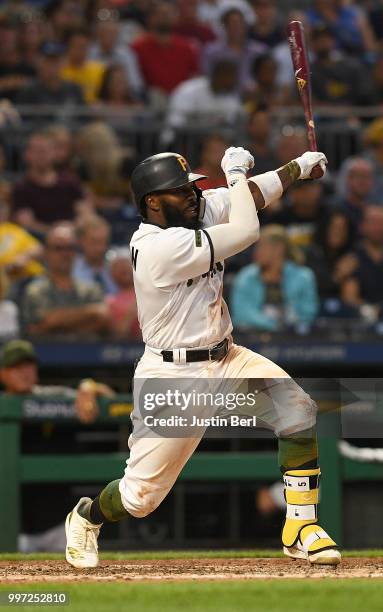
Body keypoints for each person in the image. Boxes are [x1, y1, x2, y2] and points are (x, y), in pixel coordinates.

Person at [65, 145, 341, 568]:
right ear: (152, 202)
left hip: (227, 356)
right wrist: (230, 172)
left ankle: (301, 527)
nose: (193, 196)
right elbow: (248, 231)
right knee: (140, 498)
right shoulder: (159, 246)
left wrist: (299, 168)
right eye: (180, 191)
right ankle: (87, 515)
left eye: (192, 187)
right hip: (172, 375)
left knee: (297, 408)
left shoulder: (193, 212)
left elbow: (252, 194)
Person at [0, 338, 114, 552]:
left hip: (59, 526)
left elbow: (110, 399)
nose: (24, 372)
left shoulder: (56, 398)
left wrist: (90, 387)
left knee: (80, 577)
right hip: (12, 527)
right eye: (16, 367)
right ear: (3, 373)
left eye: (28, 365)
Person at [21, 222, 109, 338]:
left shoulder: (90, 289)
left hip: (87, 353)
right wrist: (90, 313)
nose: (65, 254)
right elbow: (46, 322)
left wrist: (58, 321)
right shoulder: (36, 290)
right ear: (47, 252)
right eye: (58, 248)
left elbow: (103, 317)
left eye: (70, 248)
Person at [230, 225, 319, 332]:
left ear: (278, 249)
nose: (256, 252)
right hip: (254, 337)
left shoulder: (304, 277)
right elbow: (241, 314)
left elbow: (308, 312)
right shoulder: (246, 277)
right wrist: (274, 325)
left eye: (262, 246)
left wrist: (290, 325)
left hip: (293, 339)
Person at [11, 131, 83, 236]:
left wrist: (71, 229)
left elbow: (85, 213)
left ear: (54, 153)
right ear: (27, 155)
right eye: (37, 151)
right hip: (37, 241)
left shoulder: (70, 182)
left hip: (72, 237)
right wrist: (54, 232)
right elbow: (26, 222)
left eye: (46, 151)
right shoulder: (21, 188)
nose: (42, 155)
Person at [131, 0, 200, 96]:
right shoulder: (138, 48)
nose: (165, 17)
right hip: (150, 100)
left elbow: (194, 77)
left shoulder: (186, 47)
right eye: (161, 14)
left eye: (169, 14)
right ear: (150, 18)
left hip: (182, 99)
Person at [202, 5, 266, 92]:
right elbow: (207, 80)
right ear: (224, 26)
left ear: (246, 26)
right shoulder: (212, 52)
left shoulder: (259, 51)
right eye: (232, 24)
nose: (237, 27)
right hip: (221, 97)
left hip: (254, 98)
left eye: (240, 23)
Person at [16, 41, 84, 112]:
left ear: (64, 63)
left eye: (57, 61)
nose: (53, 66)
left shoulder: (74, 90)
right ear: (39, 62)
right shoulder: (29, 92)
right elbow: (21, 120)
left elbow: (85, 119)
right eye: (48, 61)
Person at [73, 216, 117, 295]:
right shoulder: (71, 270)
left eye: (103, 241)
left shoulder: (117, 267)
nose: (99, 248)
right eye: (94, 242)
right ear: (81, 241)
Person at [61, 30, 105, 104]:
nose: (80, 50)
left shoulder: (100, 69)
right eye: (76, 46)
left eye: (83, 46)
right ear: (68, 47)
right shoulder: (60, 70)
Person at [105, 247, 140, 340]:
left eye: (126, 264)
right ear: (111, 273)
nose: (123, 269)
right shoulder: (109, 302)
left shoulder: (152, 293)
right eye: (118, 266)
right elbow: (116, 334)